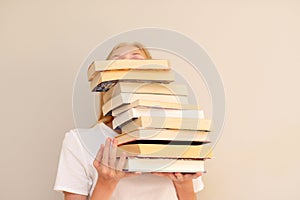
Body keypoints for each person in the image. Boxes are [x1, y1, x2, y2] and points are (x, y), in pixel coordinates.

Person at [53, 42, 204, 200]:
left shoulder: (179, 136)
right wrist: (106, 183)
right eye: (117, 63)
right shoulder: (78, 141)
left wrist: (183, 184)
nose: (126, 66)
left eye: (135, 60)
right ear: (105, 84)